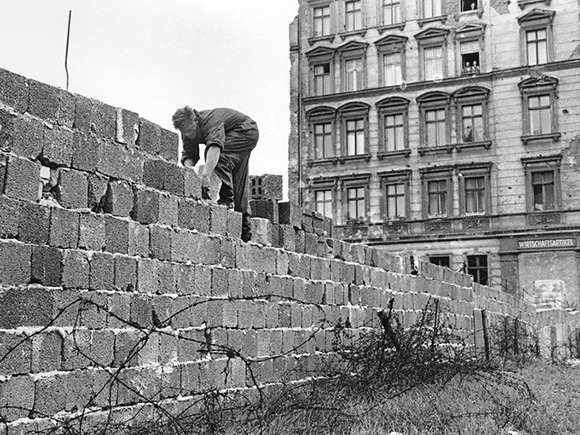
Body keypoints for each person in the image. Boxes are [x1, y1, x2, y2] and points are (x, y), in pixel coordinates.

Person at [172, 106, 259, 242]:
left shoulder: (210, 121)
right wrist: (189, 175)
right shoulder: (186, 131)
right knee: (238, 179)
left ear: (195, 120)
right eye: (185, 132)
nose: (188, 134)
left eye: (190, 130)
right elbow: (190, 155)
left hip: (246, 130)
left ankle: (227, 200)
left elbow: (215, 147)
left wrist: (206, 176)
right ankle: (245, 230)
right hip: (238, 134)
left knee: (217, 158)